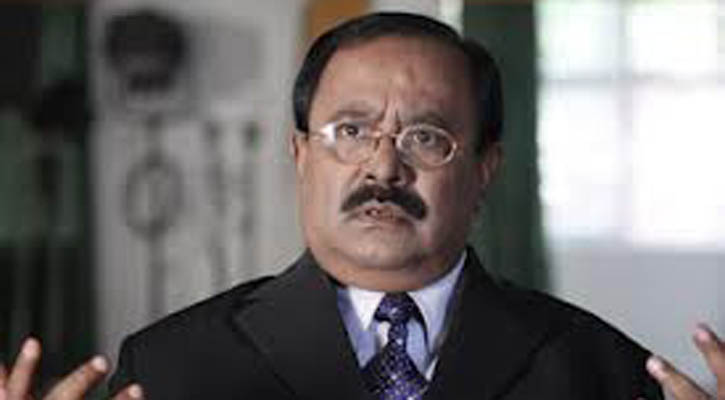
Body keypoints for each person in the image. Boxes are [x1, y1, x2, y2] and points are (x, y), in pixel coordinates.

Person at [1, 12, 723, 400]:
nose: (383, 166)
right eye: (350, 131)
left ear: (484, 171)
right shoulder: (172, 367)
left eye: (426, 137)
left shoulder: (598, 369)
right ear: (300, 156)